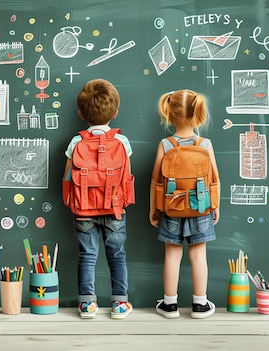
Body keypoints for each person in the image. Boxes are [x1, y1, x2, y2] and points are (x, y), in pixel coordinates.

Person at [63, 79, 133, 319]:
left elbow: (67, 177)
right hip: (114, 209)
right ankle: (120, 304)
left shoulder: (77, 142)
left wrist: (70, 201)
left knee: (87, 256)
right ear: (115, 112)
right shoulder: (122, 142)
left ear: (81, 113)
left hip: (83, 209)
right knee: (117, 256)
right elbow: (127, 177)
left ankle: (87, 304)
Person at [149, 89, 220, 319]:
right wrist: (215, 206)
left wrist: (154, 208)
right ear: (198, 113)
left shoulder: (166, 144)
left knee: (172, 255)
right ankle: (200, 304)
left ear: (169, 113)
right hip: (201, 206)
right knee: (199, 256)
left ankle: (169, 305)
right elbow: (214, 178)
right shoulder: (205, 144)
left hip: (171, 206)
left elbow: (156, 179)